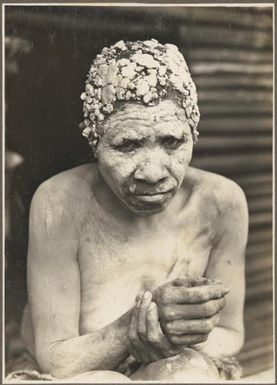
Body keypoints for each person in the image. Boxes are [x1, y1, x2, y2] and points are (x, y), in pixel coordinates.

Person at [8, 39, 248, 382]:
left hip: (177, 366)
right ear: (95, 142)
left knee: (186, 374)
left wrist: (168, 342)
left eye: (171, 142)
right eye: (127, 144)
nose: (152, 173)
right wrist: (130, 330)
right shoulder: (59, 202)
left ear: (193, 133)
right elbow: (57, 361)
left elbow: (230, 334)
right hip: (83, 372)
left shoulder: (222, 202)